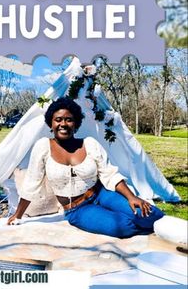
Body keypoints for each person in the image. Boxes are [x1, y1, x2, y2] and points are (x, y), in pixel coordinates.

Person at [8, 97, 164, 238]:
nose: (63, 124)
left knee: (149, 214)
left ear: (75, 124)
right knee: (121, 227)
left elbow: (109, 173)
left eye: (69, 119)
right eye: (58, 119)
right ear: (51, 123)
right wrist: (18, 215)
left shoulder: (89, 144)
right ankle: (147, 228)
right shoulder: (43, 147)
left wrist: (132, 197)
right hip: (77, 209)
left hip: (102, 194)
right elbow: (31, 183)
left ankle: (156, 226)